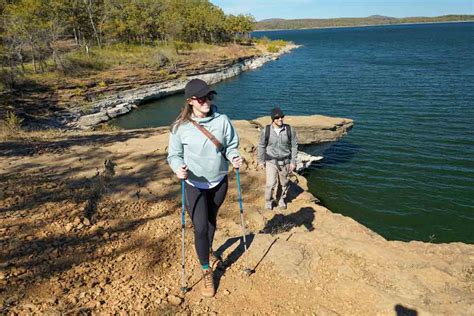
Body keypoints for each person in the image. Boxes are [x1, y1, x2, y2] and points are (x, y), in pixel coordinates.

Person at [167, 78, 242, 298]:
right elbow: (174, 155)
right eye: (201, 98)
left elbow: (231, 146)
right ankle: (206, 270)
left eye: (209, 96)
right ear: (191, 101)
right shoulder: (179, 127)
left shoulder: (222, 121)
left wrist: (235, 156)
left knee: (211, 221)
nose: (207, 101)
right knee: (199, 227)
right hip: (193, 185)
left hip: (219, 181)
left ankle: (207, 249)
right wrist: (176, 168)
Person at [257, 107, 298, 210]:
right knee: (270, 183)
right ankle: (268, 201)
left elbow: (294, 146)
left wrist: (293, 162)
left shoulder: (289, 130)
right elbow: (261, 146)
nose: (280, 119)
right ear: (273, 119)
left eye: (282, 117)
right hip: (271, 161)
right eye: (277, 118)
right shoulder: (266, 130)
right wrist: (261, 161)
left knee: (283, 183)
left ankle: (280, 199)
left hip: (285, 162)